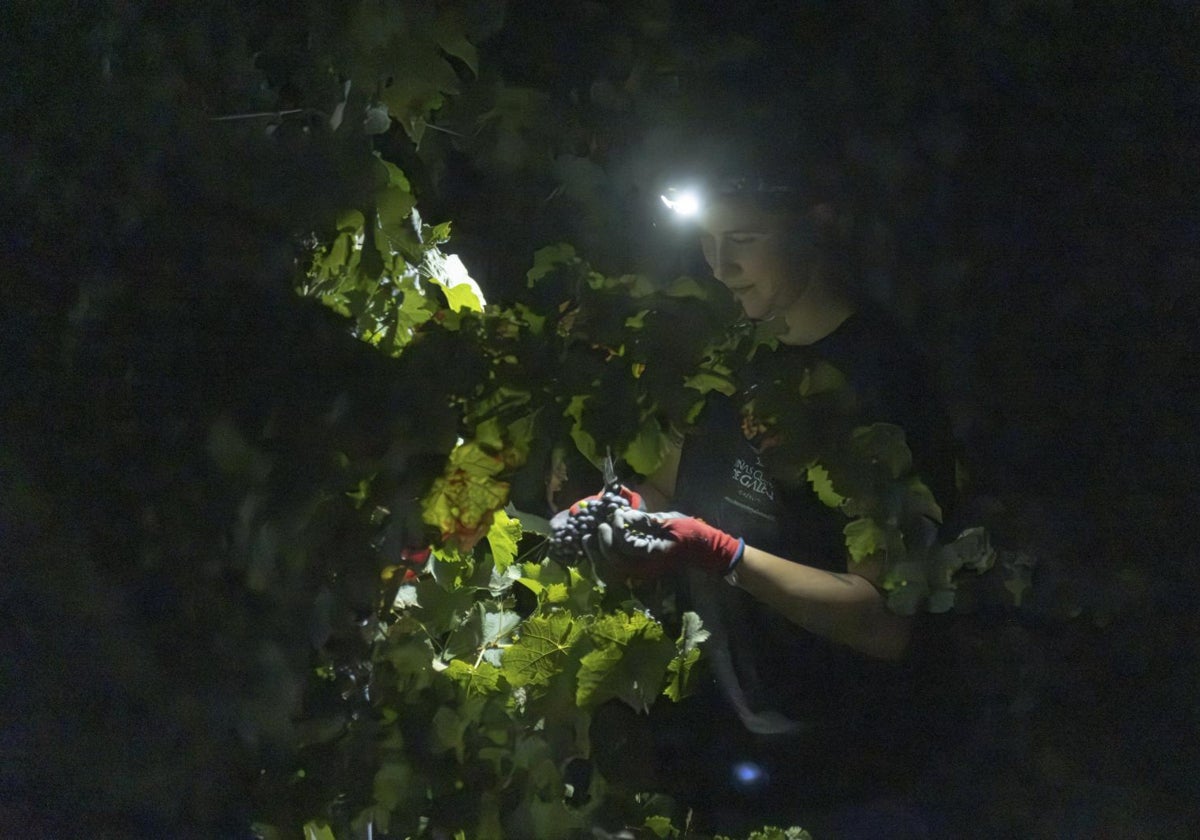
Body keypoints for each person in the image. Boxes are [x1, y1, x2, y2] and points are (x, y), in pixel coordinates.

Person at [566, 144, 960, 836]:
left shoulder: (881, 385)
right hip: (740, 751)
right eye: (708, 242)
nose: (720, 267)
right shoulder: (739, 349)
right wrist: (626, 511)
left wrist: (720, 554)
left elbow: (886, 623)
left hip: (855, 776)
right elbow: (676, 480)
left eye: (743, 240)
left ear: (817, 223)